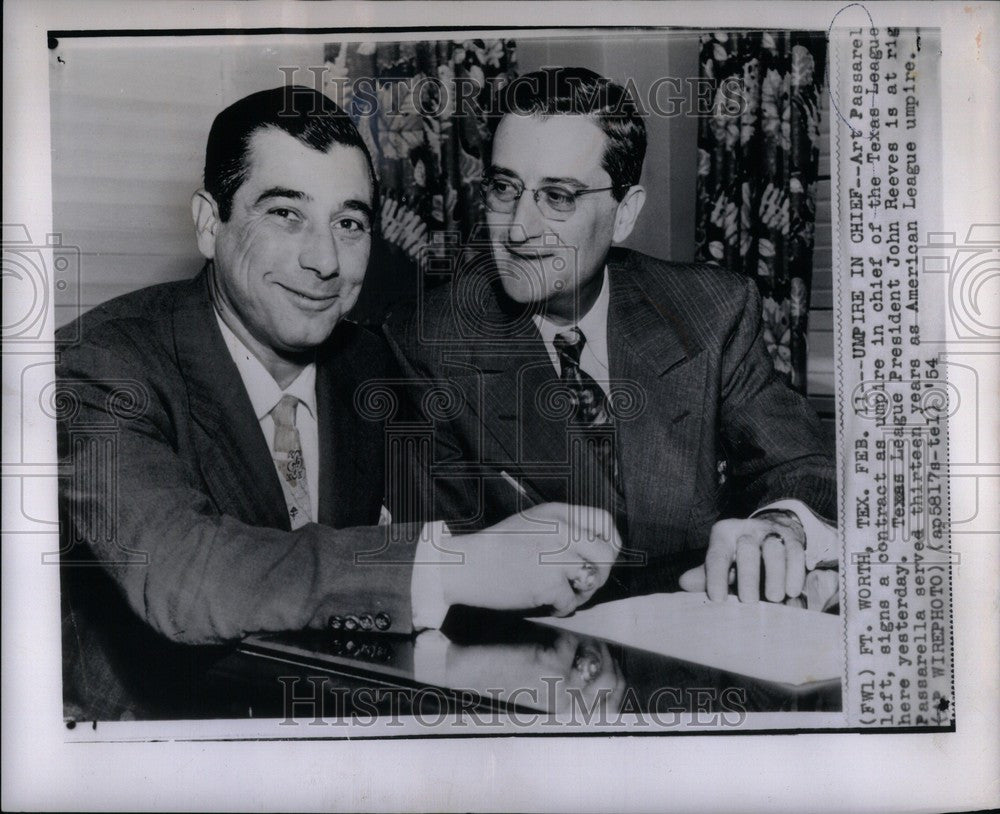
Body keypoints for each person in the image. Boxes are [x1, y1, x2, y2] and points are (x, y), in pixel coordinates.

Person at [55, 85, 619, 721]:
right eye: (286, 215)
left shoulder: (375, 365)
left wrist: (574, 543)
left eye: (348, 224)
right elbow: (185, 578)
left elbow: (474, 522)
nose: (323, 261)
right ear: (211, 223)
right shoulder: (100, 365)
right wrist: (448, 565)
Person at [384, 67, 839, 609]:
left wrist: (779, 526)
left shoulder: (712, 311)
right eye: (505, 189)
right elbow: (449, 572)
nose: (519, 228)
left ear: (624, 214)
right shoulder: (427, 342)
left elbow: (798, 464)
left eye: (558, 196)